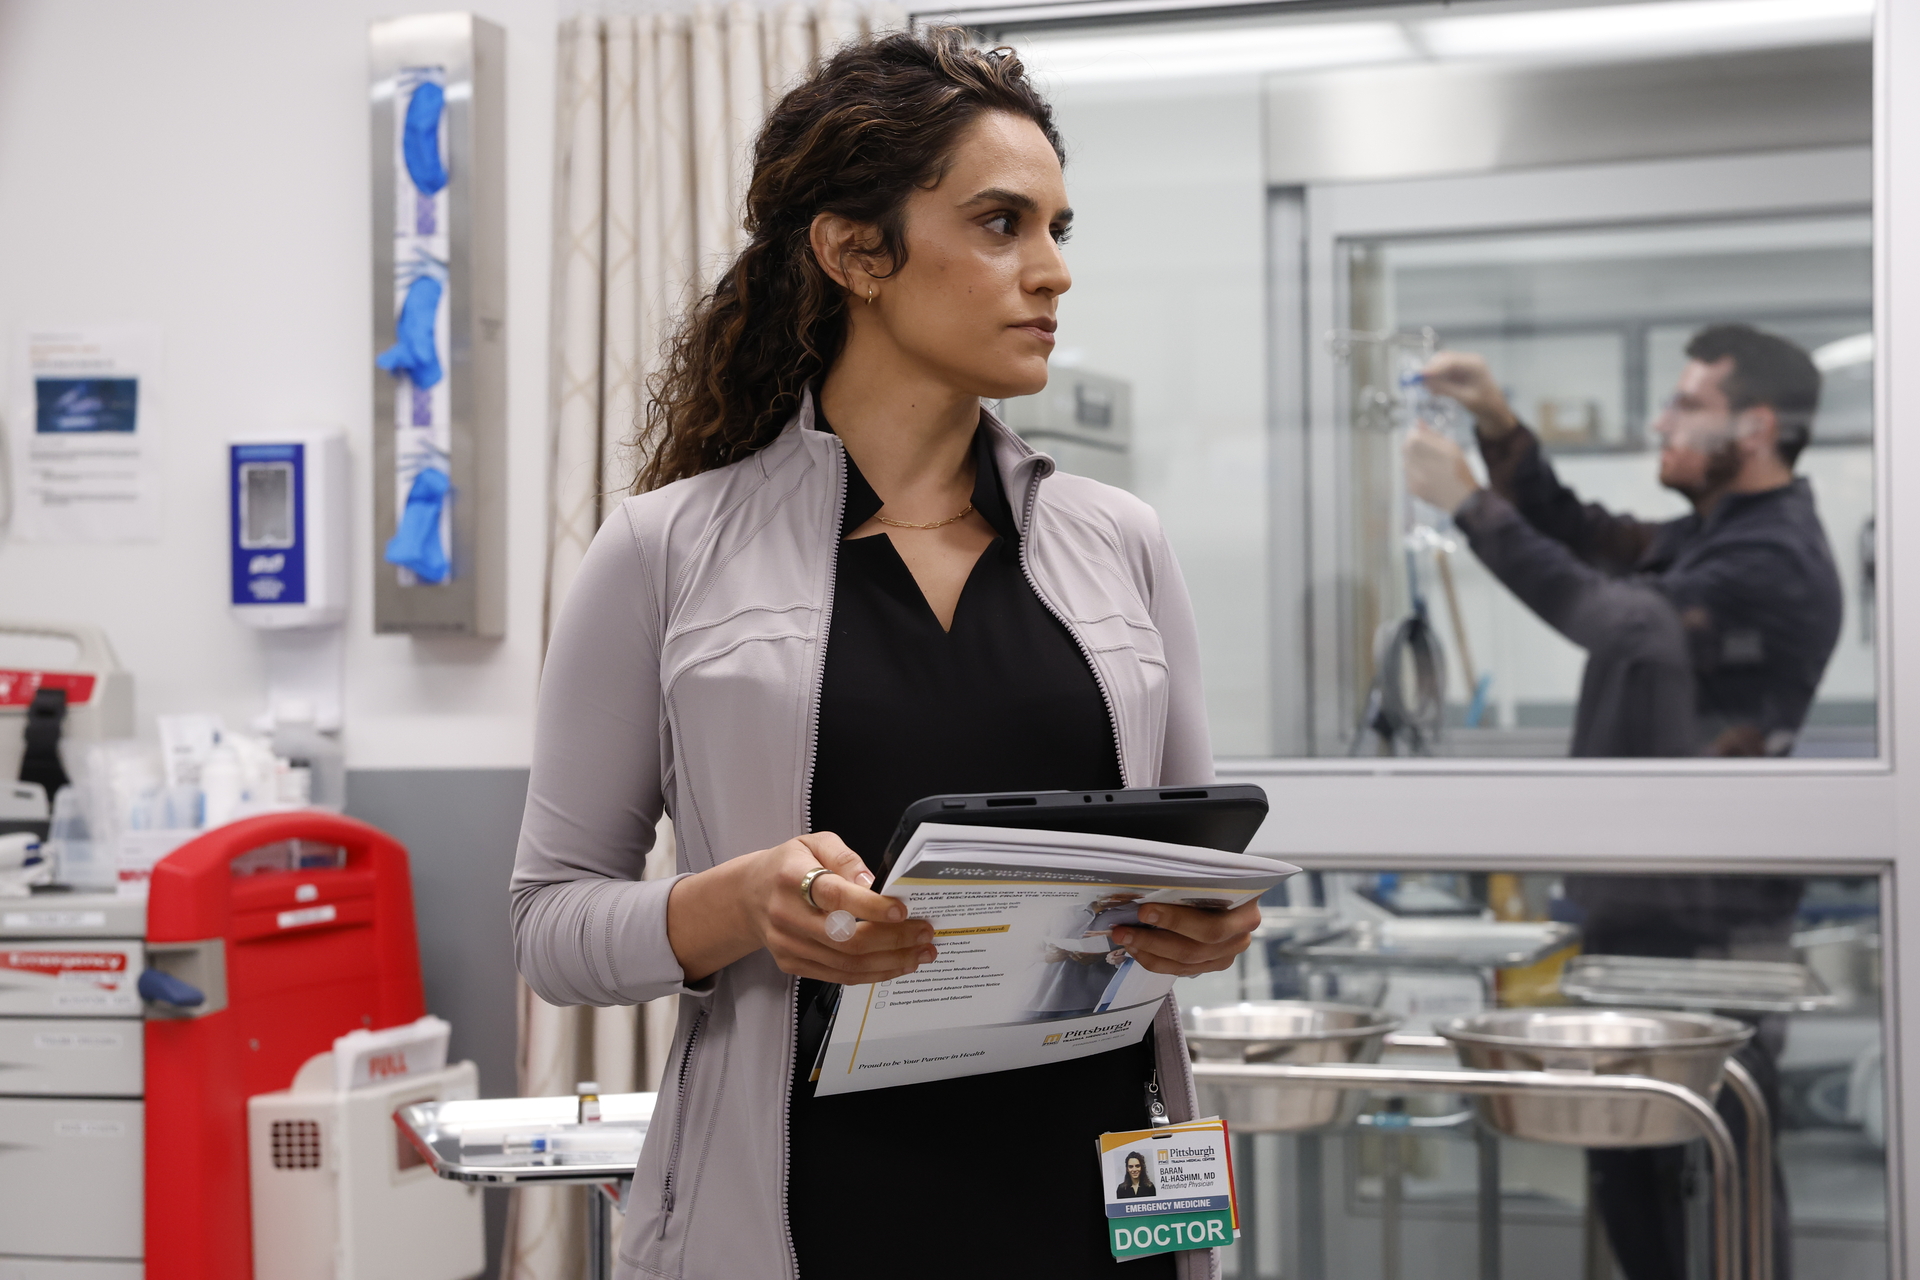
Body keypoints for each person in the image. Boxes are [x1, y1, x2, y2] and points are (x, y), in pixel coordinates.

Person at [510, 29, 1256, 1280]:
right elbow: (549, 924)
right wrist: (736, 903)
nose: (1054, 271)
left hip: (1096, 1200)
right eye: (1003, 223)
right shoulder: (663, 552)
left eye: (1060, 227)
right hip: (818, 1211)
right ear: (857, 253)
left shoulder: (1122, 543)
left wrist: (1206, 925)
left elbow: (1190, 866)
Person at [1403, 324, 1843, 757]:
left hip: (1687, 824)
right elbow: (1583, 535)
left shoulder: (1777, 561)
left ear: (1755, 429)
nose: (1661, 424)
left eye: (1687, 407)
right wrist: (1498, 425)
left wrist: (1470, 505)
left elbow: (1629, 624)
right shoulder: (1715, 533)